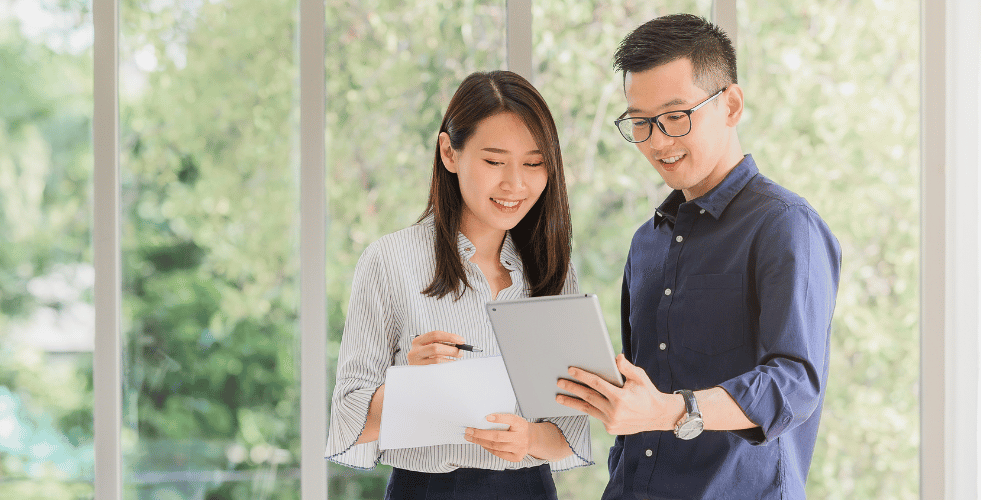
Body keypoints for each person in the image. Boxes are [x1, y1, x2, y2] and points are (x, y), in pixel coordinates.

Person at [553, 14, 842, 500]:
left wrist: (669, 411)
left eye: (675, 116)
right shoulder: (648, 240)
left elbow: (794, 384)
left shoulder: (785, 224)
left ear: (731, 105)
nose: (658, 141)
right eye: (640, 123)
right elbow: (643, 391)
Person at [324, 70, 592, 499]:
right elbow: (349, 420)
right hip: (429, 490)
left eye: (534, 162)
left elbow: (568, 431)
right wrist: (411, 382)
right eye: (493, 161)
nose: (515, 184)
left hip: (531, 488)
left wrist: (527, 439)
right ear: (449, 152)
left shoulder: (552, 271)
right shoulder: (390, 261)